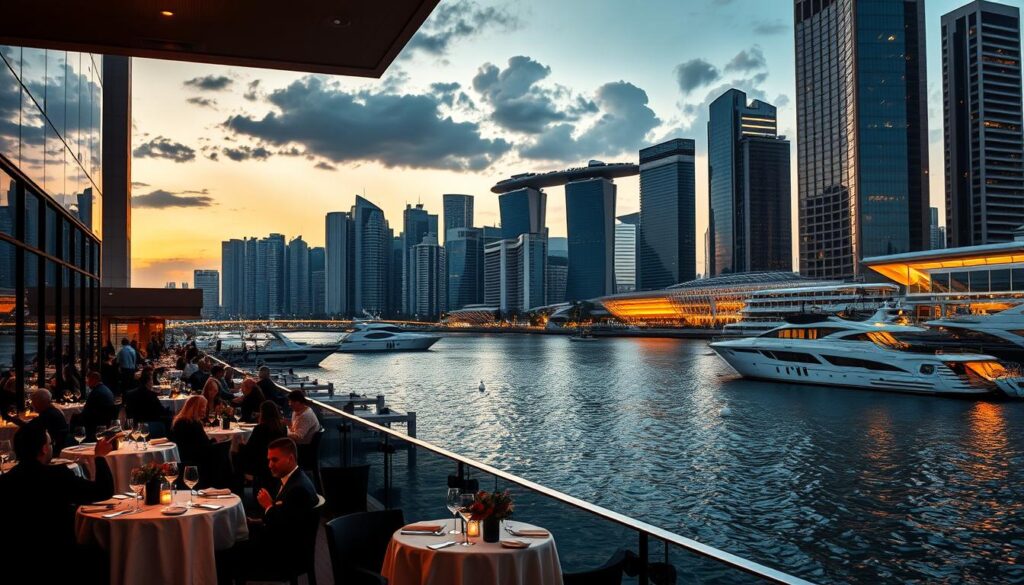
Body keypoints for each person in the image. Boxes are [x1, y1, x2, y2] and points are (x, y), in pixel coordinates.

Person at [0, 427, 115, 580]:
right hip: (61, 557)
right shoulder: (57, 476)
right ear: (44, 448)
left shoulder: (5, 481)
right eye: (50, 443)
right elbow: (103, 490)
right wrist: (99, 456)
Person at [231, 437, 317, 579]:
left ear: (290, 458)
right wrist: (258, 521)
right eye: (269, 460)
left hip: (285, 556)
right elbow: (288, 517)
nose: (270, 465)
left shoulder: (298, 489)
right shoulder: (293, 479)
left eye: (275, 460)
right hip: (283, 545)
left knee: (226, 549)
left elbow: (284, 529)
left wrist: (268, 506)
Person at [236, 400, 287, 490]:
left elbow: (250, 449)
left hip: (261, 462)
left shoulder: (260, 429)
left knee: (236, 454)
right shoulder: (282, 427)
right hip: (278, 459)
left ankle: (238, 485)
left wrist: (240, 444)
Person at [3, 388, 69, 451]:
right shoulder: (54, 410)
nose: (32, 404)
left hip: (50, 449)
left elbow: (31, 428)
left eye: (33, 401)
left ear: (41, 402)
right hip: (56, 445)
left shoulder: (48, 414)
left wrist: (16, 420)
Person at [170, 396, 215, 483]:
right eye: (203, 407)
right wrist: (214, 441)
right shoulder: (193, 424)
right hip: (196, 458)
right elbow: (204, 445)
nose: (204, 410)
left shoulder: (179, 421)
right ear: (196, 408)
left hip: (184, 457)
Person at [81, 371, 118, 441]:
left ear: (94, 380)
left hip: (95, 428)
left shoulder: (95, 393)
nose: (87, 383)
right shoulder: (107, 390)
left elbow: (85, 413)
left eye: (88, 380)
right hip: (107, 424)